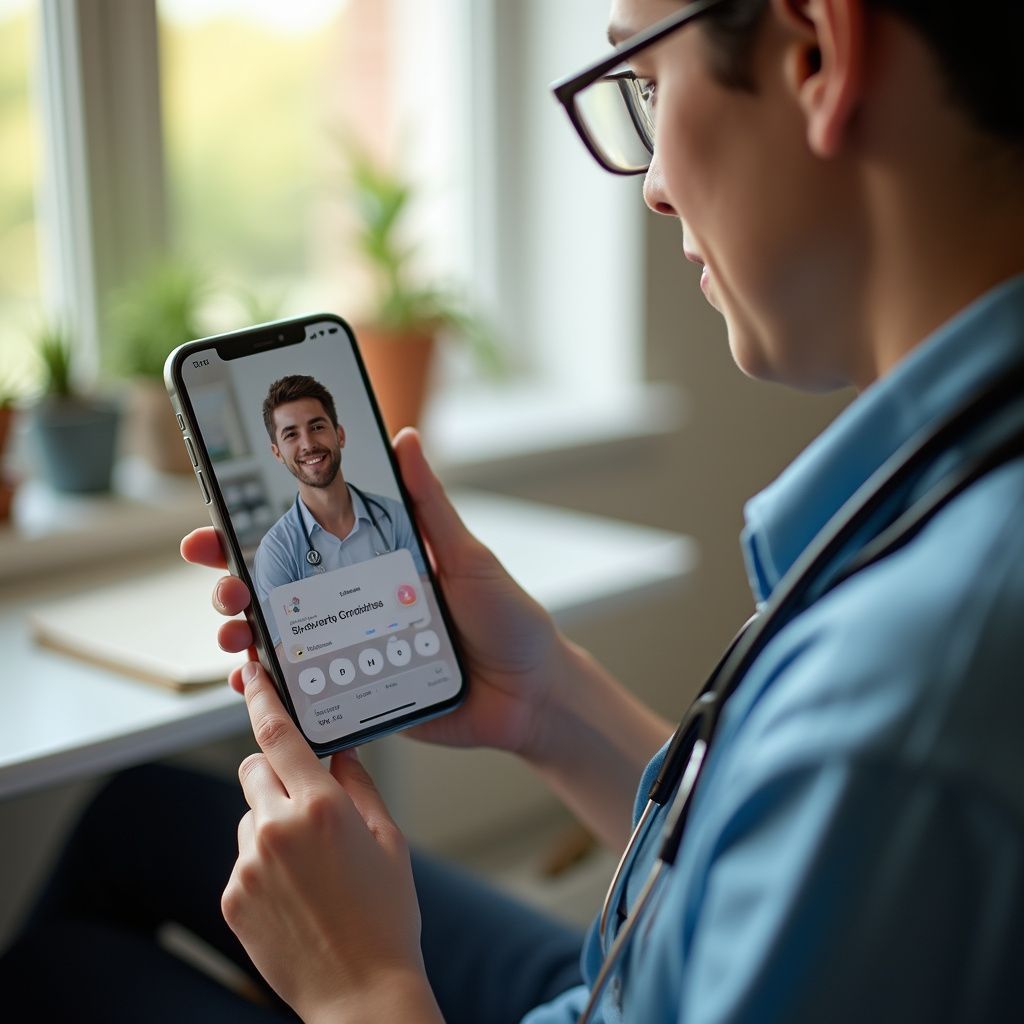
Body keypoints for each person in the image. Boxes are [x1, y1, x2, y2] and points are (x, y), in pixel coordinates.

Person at [2, 0, 1022, 1020]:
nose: (655, 187)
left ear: (816, 52)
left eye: (650, 85)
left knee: (64, 973)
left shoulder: (903, 702)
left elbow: (839, 789)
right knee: (136, 816)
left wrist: (361, 984)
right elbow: (786, 853)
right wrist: (546, 705)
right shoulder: (943, 502)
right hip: (644, 966)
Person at [252, 374, 426, 647]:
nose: (308, 444)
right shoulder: (276, 552)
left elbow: (429, 613)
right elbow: (287, 655)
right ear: (277, 453)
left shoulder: (396, 517)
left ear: (339, 434)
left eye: (317, 426)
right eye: (291, 434)